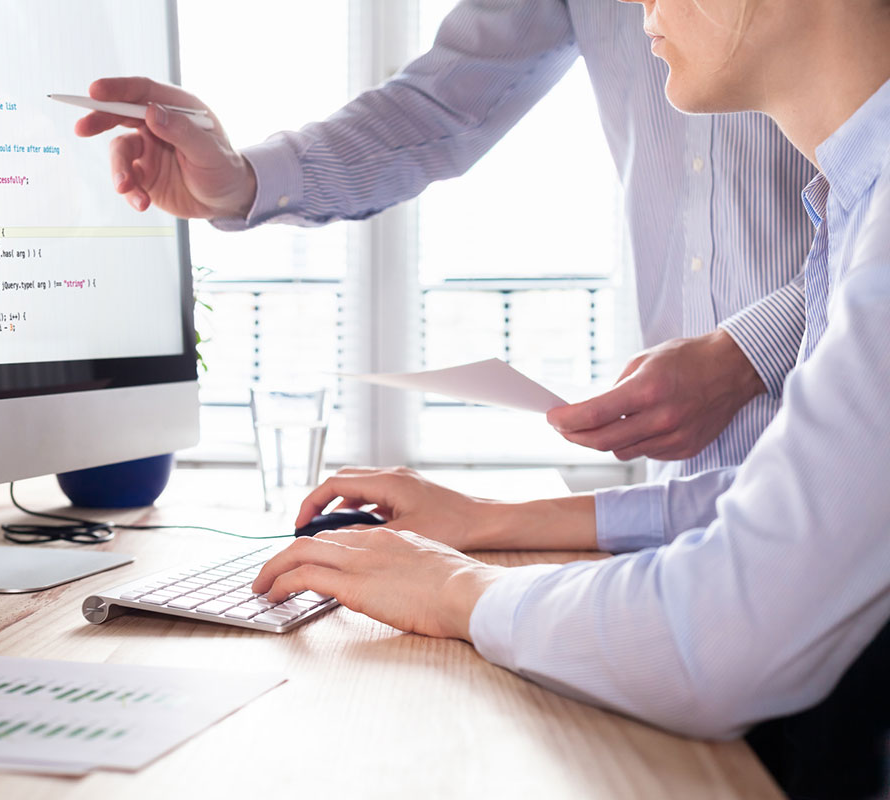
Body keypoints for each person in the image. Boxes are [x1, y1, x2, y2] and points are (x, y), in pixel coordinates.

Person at [245, 0, 890, 795]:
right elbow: (805, 504)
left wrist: (455, 589)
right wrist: (494, 523)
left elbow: (721, 634)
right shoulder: (852, 203)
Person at [75, 0, 815, 484]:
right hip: (686, 483)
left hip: (848, 448)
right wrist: (240, 180)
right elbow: (442, 106)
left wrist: (752, 352)